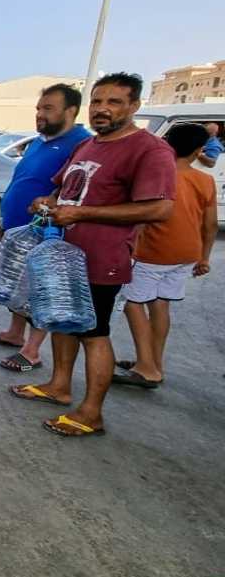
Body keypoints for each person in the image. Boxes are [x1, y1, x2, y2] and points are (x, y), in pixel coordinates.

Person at [12, 72, 175, 437]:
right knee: (62, 322)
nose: (102, 109)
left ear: (134, 106)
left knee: (93, 332)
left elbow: (160, 208)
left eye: (114, 102)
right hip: (63, 257)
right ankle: (59, 386)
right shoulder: (87, 146)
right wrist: (46, 202)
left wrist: (83, 214)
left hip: (102, 260)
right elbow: (64, 192)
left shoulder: (148, 149)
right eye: (98, 101)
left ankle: (91, 413)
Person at [0, 84, 90, 372]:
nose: (40, 114)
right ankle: (15, 334)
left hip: (46, 231)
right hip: (18, 229)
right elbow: (22, 180)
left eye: (48, 108)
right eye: (39, 108)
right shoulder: (39, 141)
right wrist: (6, 220)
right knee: (16, 282)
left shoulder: (81, 144)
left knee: (39, 289)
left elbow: (72, 190)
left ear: (71, 111)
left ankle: (32, 351)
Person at [114, 122, 216, 388]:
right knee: (160, 305)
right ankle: (154, 363)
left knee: (132, 302)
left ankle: (146, 367)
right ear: (198, 151)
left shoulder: (157, 175)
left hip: (154, 251)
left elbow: (139, 215)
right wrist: (204, 257)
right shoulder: (205, 180)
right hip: (187, 253)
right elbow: (210, 224)